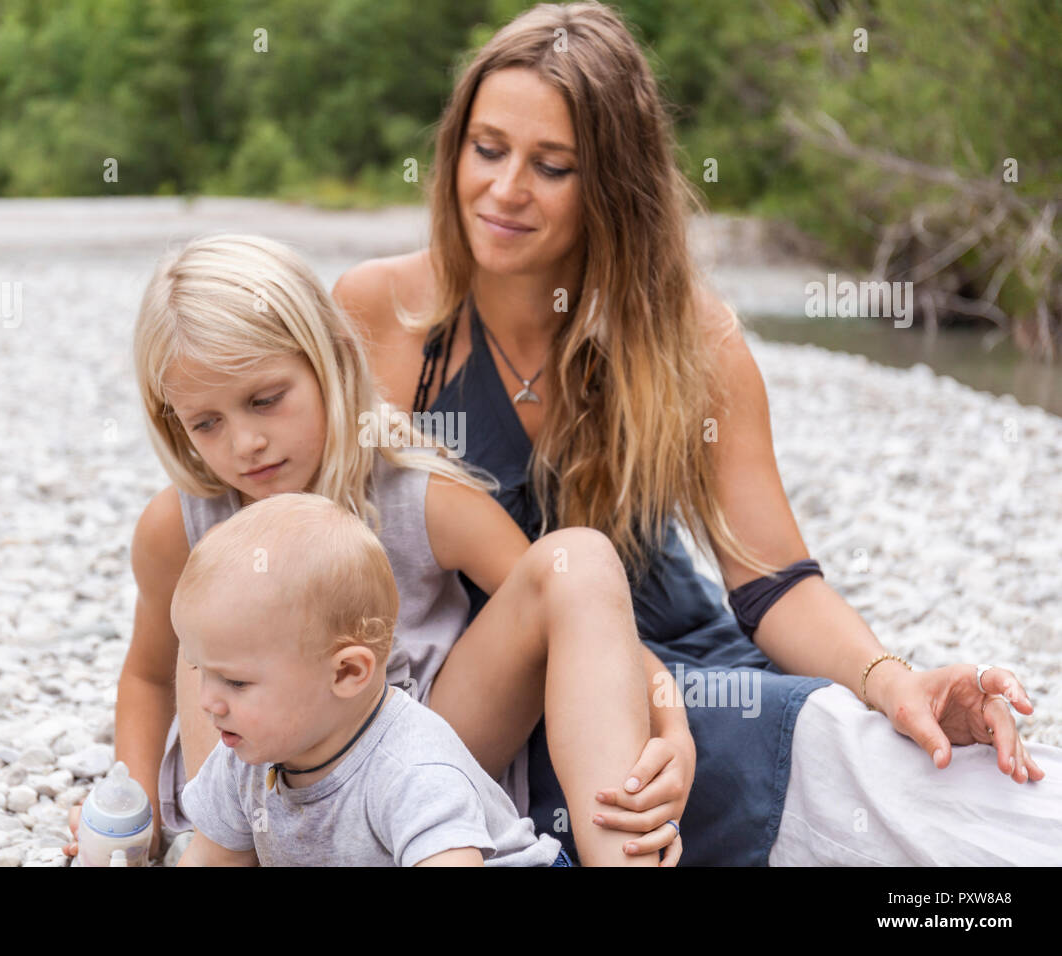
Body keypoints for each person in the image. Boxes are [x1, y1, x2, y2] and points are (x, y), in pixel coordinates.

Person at [330, 0, 1061, 865]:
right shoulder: (382, 314)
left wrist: (891, 680)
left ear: (611, 183)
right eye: (487, 150)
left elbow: (774, 585)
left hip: (682, 668)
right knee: (840, 772)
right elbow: (308, 551)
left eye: (552, 165)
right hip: (485, 701)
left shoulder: (692, 338)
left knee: (895, 753)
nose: (505, 189)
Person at [66, 232, 692, 867]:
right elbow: (147, 674)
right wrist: (133, 808)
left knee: (578, 558)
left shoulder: (415, 492)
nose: (246, 442)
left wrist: (672, 723)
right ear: (175, 421)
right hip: (255, 780)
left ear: (329, 360)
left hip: (415, 759)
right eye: (207, 422)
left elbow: (570, 596)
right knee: (207, 639)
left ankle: (624, 856)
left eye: (266, 400)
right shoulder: (180, 522)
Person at [172, 492, 569, 867]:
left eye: (236, 683)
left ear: (346, 673)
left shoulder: (412, 771)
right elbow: (212, 858)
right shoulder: (246, 755)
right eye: (199, 671)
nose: (207, 701)